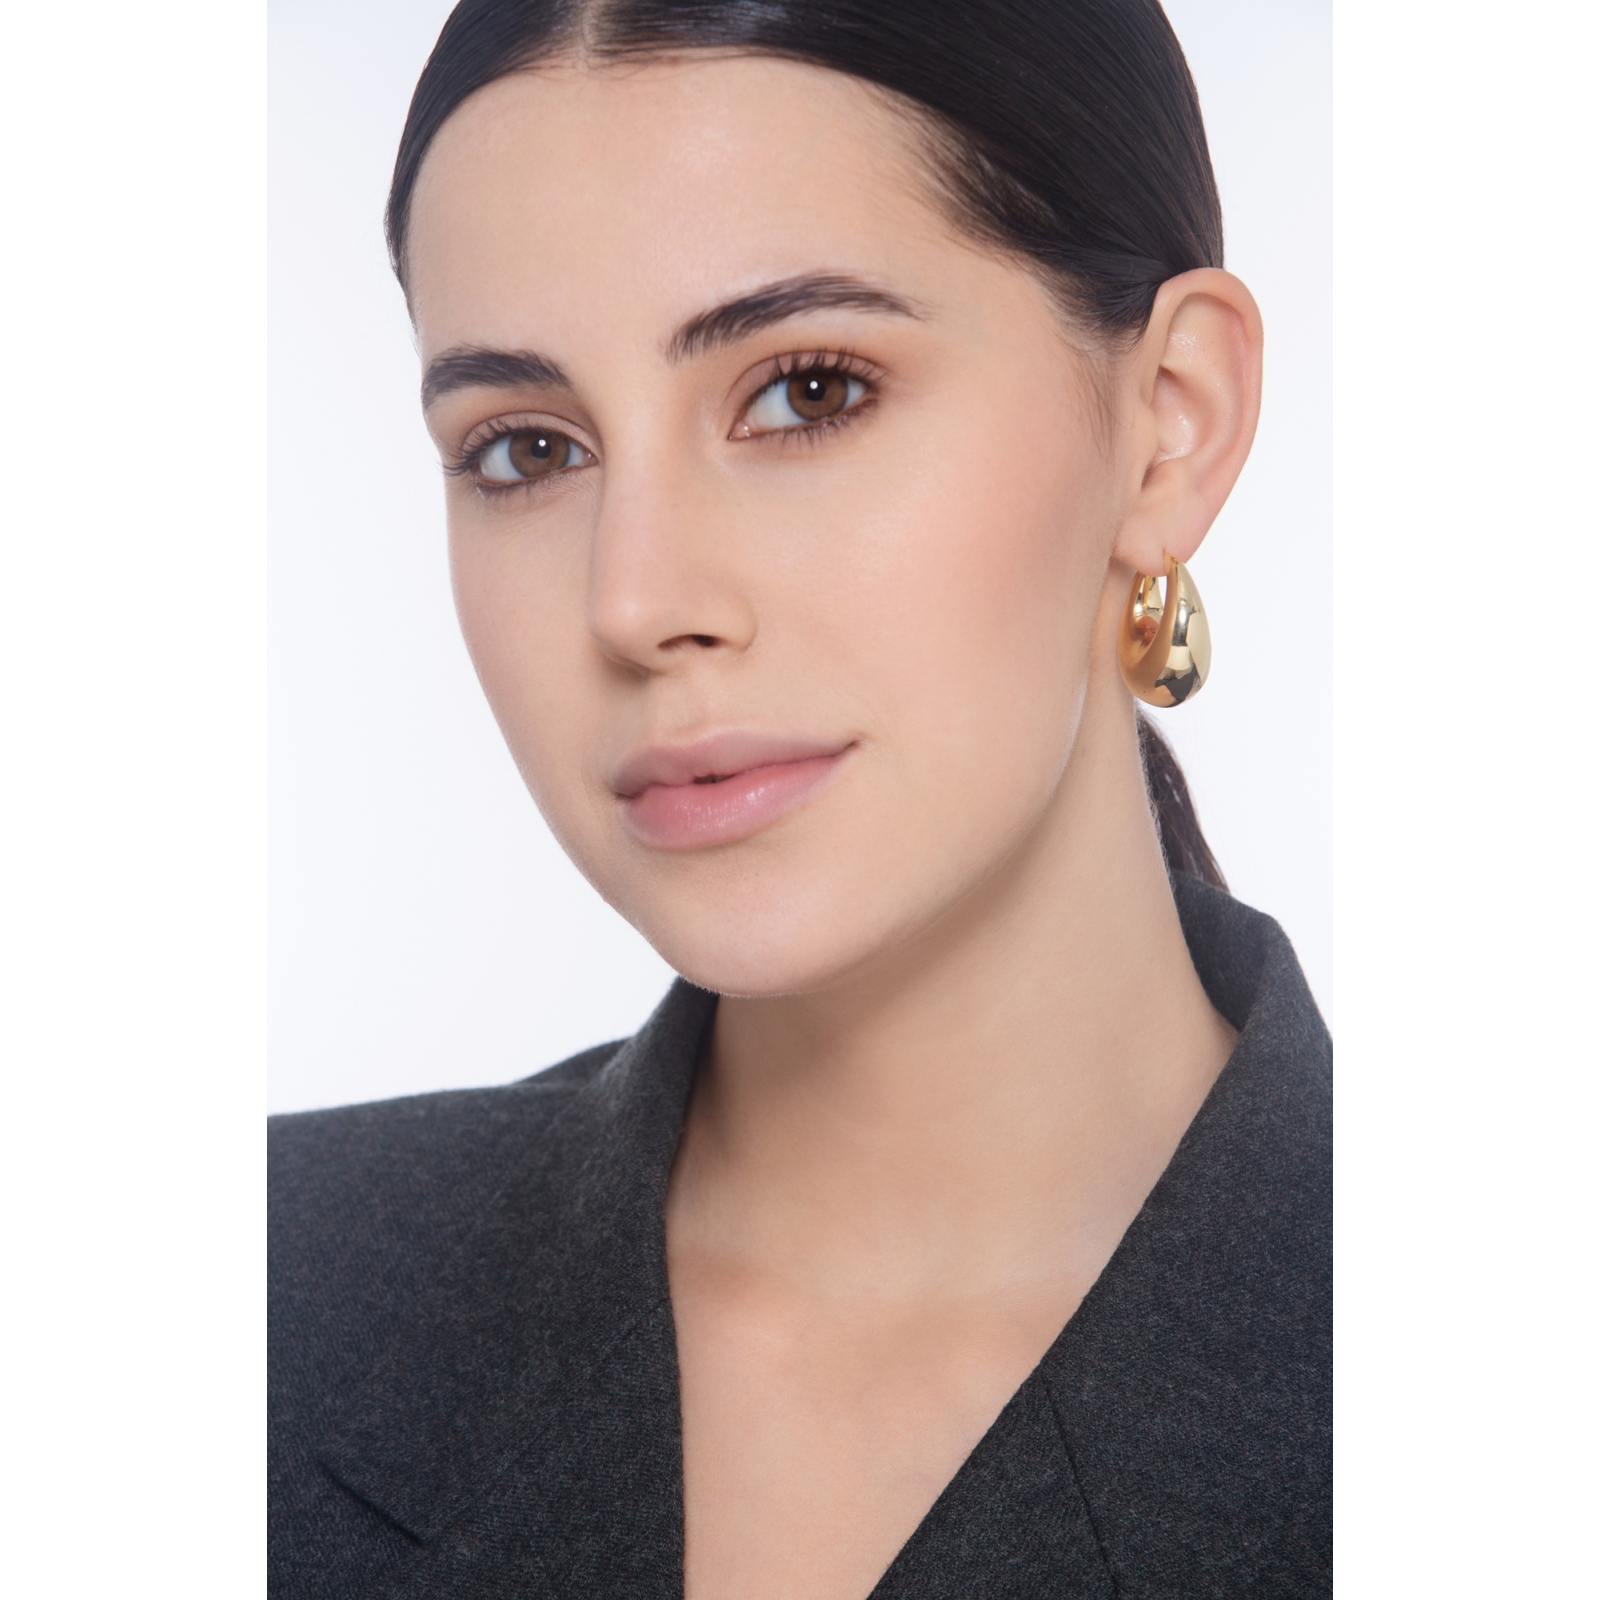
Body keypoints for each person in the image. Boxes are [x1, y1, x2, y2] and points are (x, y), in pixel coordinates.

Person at [268, 1, 1331, 1595]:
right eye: (527, 451)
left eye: (810, 392)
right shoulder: (233, 1312)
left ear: (1168, 422)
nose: (636, 602)